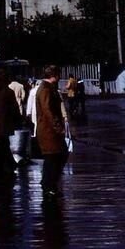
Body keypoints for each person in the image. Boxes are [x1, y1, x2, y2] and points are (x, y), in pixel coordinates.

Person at [35, 65, 70, 199]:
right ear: (54, 75)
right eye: (59, 74)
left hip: (50, 130)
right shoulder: (45, 89)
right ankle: (48, 185)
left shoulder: (48, 88)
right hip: (48, 131)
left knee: (57, 157)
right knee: (53, 158)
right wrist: (57, 127)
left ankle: (50, 184)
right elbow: (48, 110)